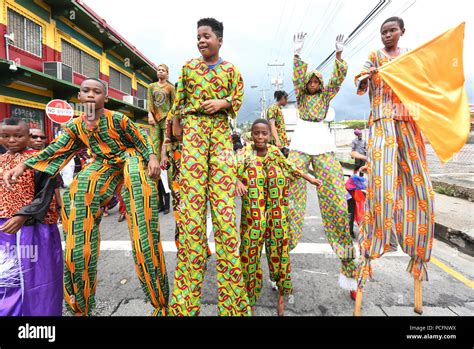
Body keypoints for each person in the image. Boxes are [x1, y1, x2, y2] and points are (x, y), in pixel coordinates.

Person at [3, 78, 169, 316]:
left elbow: (142, 141)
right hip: (104, 164)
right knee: (78, 193)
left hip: (131, 158)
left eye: (97, 91)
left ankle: (159, 302)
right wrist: (22, 167)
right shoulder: (75, 126)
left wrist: (152, 158)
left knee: (141, 210)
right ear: (79, 97)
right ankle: (79, 304)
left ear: (105, 98)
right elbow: (54, 150)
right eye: (86, 91)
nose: (91, 95)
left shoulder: (118, 119)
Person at [167, 17, 250, 316]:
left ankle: (234, 308)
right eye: (198, 37)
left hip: (219, 137)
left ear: (219, 40)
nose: (201, 41)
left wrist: (223, 102)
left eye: (206, 36)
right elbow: (178, 105)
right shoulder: (188, 68)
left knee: (226, 217)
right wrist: (175, 129)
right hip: (193, 138)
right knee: (191, 217)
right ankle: (184, 308)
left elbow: (238, 97)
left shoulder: (231, 70)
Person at [353, 17, 435, 295]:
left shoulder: (409, 58)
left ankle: (417, 249)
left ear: (402, 32)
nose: (388, 35)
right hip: (382, 124)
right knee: (383, 188)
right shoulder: (374, 56)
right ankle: (374, 245)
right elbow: (360, 82)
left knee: (420, 188)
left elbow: (422, 86)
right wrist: (369, 74)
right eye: (384, 32)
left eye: (392, 30)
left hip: (408, 124)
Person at [287, 32, 359, 297]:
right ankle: (280, 266)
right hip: (301, 142)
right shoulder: (302, 96)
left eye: (318, 80)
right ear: (306, 84)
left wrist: (339, 55)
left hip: (323, 143)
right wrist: (296, 54)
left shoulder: (326, 96)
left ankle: (349, 270)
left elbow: (338, 81)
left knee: (337, 202)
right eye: (311, 80)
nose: (315, 84)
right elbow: (296, 77)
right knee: (288, 196)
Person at [235, 119, 321, 316]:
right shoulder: (244, 153)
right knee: (249, 254)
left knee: (279, 253)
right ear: (251, 134)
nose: (260, 137)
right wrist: (237, 180)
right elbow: (230, 170)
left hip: (276, 212)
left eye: (264, 133)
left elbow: (291, 168)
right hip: (253, 215)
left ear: (269, 135)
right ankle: (249, 300)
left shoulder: (275, 152)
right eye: (256, 133)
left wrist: (310, 178)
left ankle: (282, 295)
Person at [0, 118, 62, 316]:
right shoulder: (1, 160)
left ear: (28, 137)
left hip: (34, 229)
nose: (11, 140)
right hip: (4, 230)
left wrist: (23, 216)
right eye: (5, 136)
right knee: (7, 277)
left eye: (18, 135)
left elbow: (45, 195)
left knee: (36, 277)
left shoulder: (40, 161)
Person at [148, 64, 174, 215]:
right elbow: (150, 103)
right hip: (155, 121)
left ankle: (168, 202)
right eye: (158, 70)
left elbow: (174, 105)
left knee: (165, 158)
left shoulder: (170, 88)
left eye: (163, 70)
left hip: (167, 120)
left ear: (167, 73)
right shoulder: (151, 86)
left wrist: (170, 120)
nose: (160, 72)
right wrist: (150, 115)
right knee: (155, 153)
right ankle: (157, 201)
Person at [29, 128, 63, 220]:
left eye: (42, 137)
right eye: (34, 137)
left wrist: (60, 205)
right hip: (24, 206)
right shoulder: (18, 158)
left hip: (47, 204)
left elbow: (55, 184)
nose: (39, 140)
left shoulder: (49, 158)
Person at [267, 90, 289, 156]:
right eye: (286, 99)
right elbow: (272, 125)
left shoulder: (278, 109)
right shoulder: (273, 109)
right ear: (282, 98)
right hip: (275, 143)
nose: (287, 101)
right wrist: (277, 140)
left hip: (280, 143)